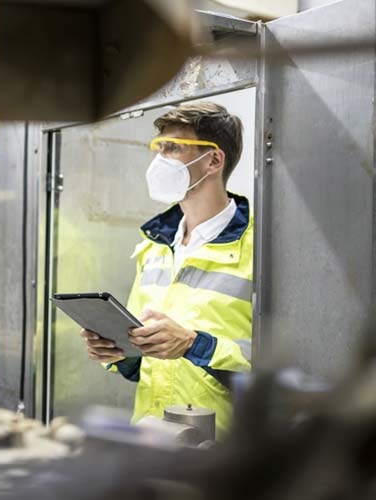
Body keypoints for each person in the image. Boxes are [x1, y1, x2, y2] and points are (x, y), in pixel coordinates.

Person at [80, 101, 252, 438]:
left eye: (172, 148)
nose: (160, 160)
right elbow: (145, 361)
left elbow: (288, 368)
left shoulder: (262, 246)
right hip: (152, 439)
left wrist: (194, 345)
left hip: (223, 448)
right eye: (159, 148)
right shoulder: (154, 244)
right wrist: (119, 351)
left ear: (213, 160)